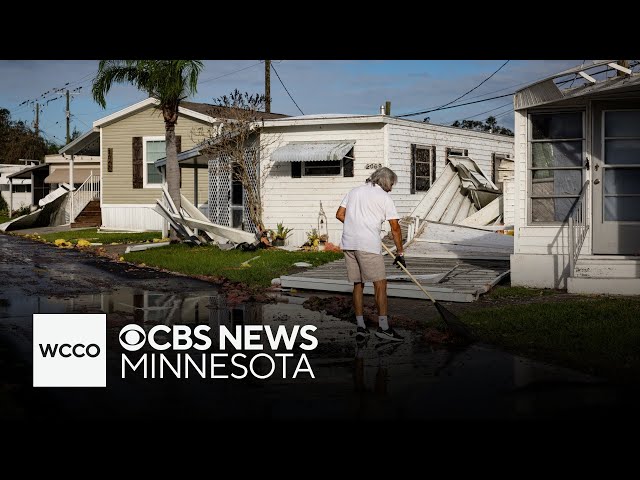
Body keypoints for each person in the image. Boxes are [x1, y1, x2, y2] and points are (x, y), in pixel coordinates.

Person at [336, 166, 406, 342]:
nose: (392, 187)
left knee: (358, 284)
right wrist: (400, 252)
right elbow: (395, 228)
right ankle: (383, 328)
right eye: (392, 183)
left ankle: (361, 327)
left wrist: (357, 225)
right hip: (367, 245)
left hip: (349, 242)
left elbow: (340, 215)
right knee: (380, 284)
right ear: (385, 181)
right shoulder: (384, 197)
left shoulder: (354, 191)